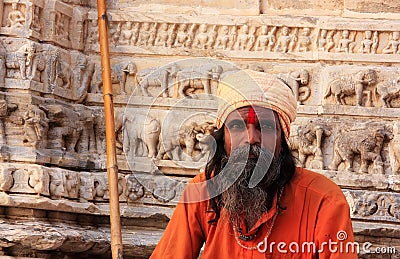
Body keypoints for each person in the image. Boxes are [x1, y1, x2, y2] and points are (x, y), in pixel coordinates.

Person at [150, 69, 357, 258]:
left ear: (282, 140)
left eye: (265, 127)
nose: (251, 138)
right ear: (223, 138)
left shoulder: (323, 200)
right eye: (238, 126)